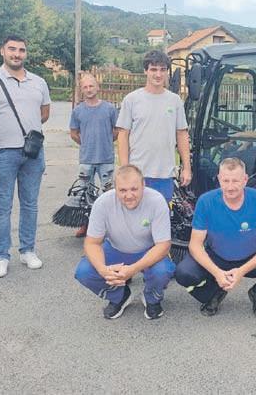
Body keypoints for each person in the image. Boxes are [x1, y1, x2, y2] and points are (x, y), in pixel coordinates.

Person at [175, 158, 256, 318]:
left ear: (245, 180)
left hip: (253, 257)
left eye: (235, 181)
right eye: (225, 181)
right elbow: (195, 245)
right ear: (219, 179)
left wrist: (241, 271)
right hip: (218, 257)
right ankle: (212, 293)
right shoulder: (205, 201)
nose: (230, 187)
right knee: (184, 272)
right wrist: (217, 273)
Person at [0, 36, 51, 278]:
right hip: (1, 152)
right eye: (12, 49)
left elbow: (44, 113)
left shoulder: (38, 82)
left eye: (21, 50)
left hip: (33, 152)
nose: (17, 54)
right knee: (2, 206)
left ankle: (28, 250)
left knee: (30, 204)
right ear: (2, 51)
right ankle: (1, 255)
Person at [74, 165, 175, 320]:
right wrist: (102, 269)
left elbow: (163, 245)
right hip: (115, 249)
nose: (129, 195)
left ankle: (151, 298)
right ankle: (119, 296)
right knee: (84, 271)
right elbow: (92, 243)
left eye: (134, 189)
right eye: (122, 190)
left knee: (163, 271)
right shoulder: (102, 203)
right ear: (115, 188)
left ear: (143, 185)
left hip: (148, 250)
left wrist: (133, 269)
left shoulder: (156, 201)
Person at [116, 50, 190, 202]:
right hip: (137, 173)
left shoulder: (175, 101)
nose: (158, 74)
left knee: (162, 214)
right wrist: (125, 169)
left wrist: (187, 168)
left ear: (167, 72)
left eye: (163, 70)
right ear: (145, 71)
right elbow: (123, 135)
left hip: (165, 175)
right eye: (153, 69)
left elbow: (182, 134)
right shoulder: (132, 100)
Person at [69, 72, 118, 237]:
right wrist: (86, 144)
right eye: (85, 87)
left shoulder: (109, 109)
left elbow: (117, 130)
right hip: (86, 159)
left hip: (106, 158)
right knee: (84, 193)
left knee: (109, 193)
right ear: (81, 90)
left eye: (91, 86)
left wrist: (106, 141)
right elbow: (74, 133)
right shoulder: (78, 111)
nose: (89, 89)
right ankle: (86, 224)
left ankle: (109, 226)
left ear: (97, 87)